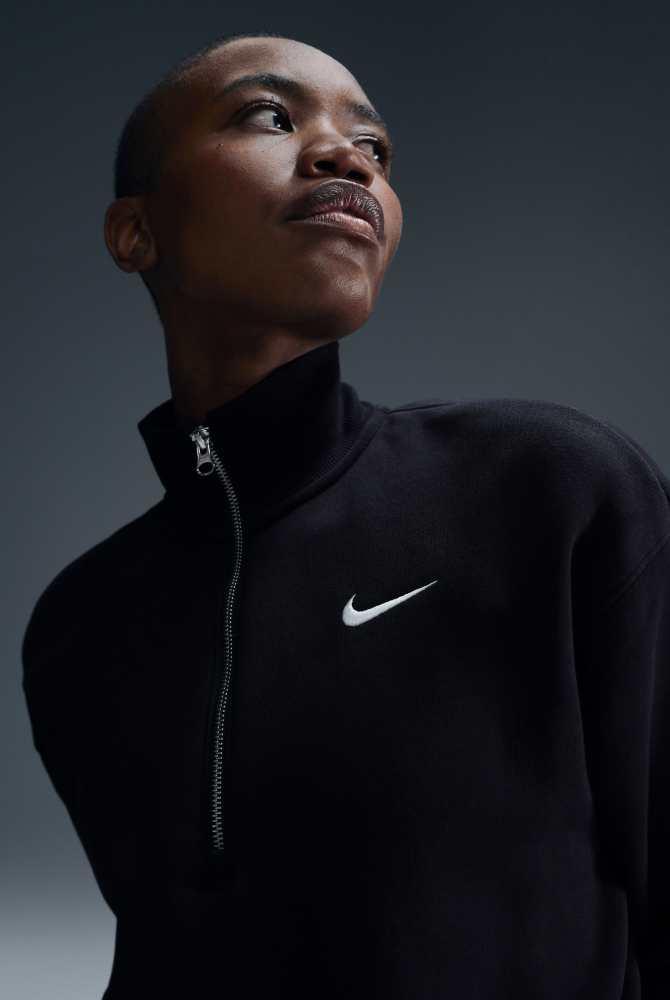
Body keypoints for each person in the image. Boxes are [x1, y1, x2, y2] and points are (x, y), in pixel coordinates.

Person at [21, 31, 669, 1000]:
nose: (347, 156)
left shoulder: (555, 490)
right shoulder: (78, 630)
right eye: (270, 116)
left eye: (374, 147)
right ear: (135, 233)